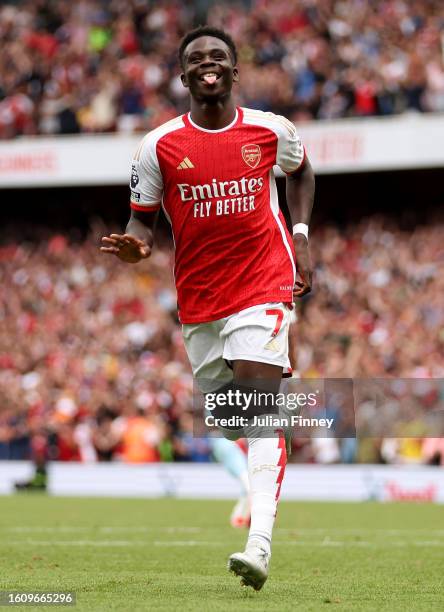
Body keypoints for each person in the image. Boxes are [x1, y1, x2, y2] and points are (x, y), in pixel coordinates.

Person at [101, 25, 315, 590]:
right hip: (200, 303)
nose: (208, 64)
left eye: (218, 56)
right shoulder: (159, 147)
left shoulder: (271, 131)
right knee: (228, 420)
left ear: (235, 69)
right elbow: (139, 221)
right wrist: (136, 246)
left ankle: (259, 544)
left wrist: (300, 237)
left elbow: (303, 172)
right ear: (183, 74)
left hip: (264, 286)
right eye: (196, 58)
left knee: (262, 409)